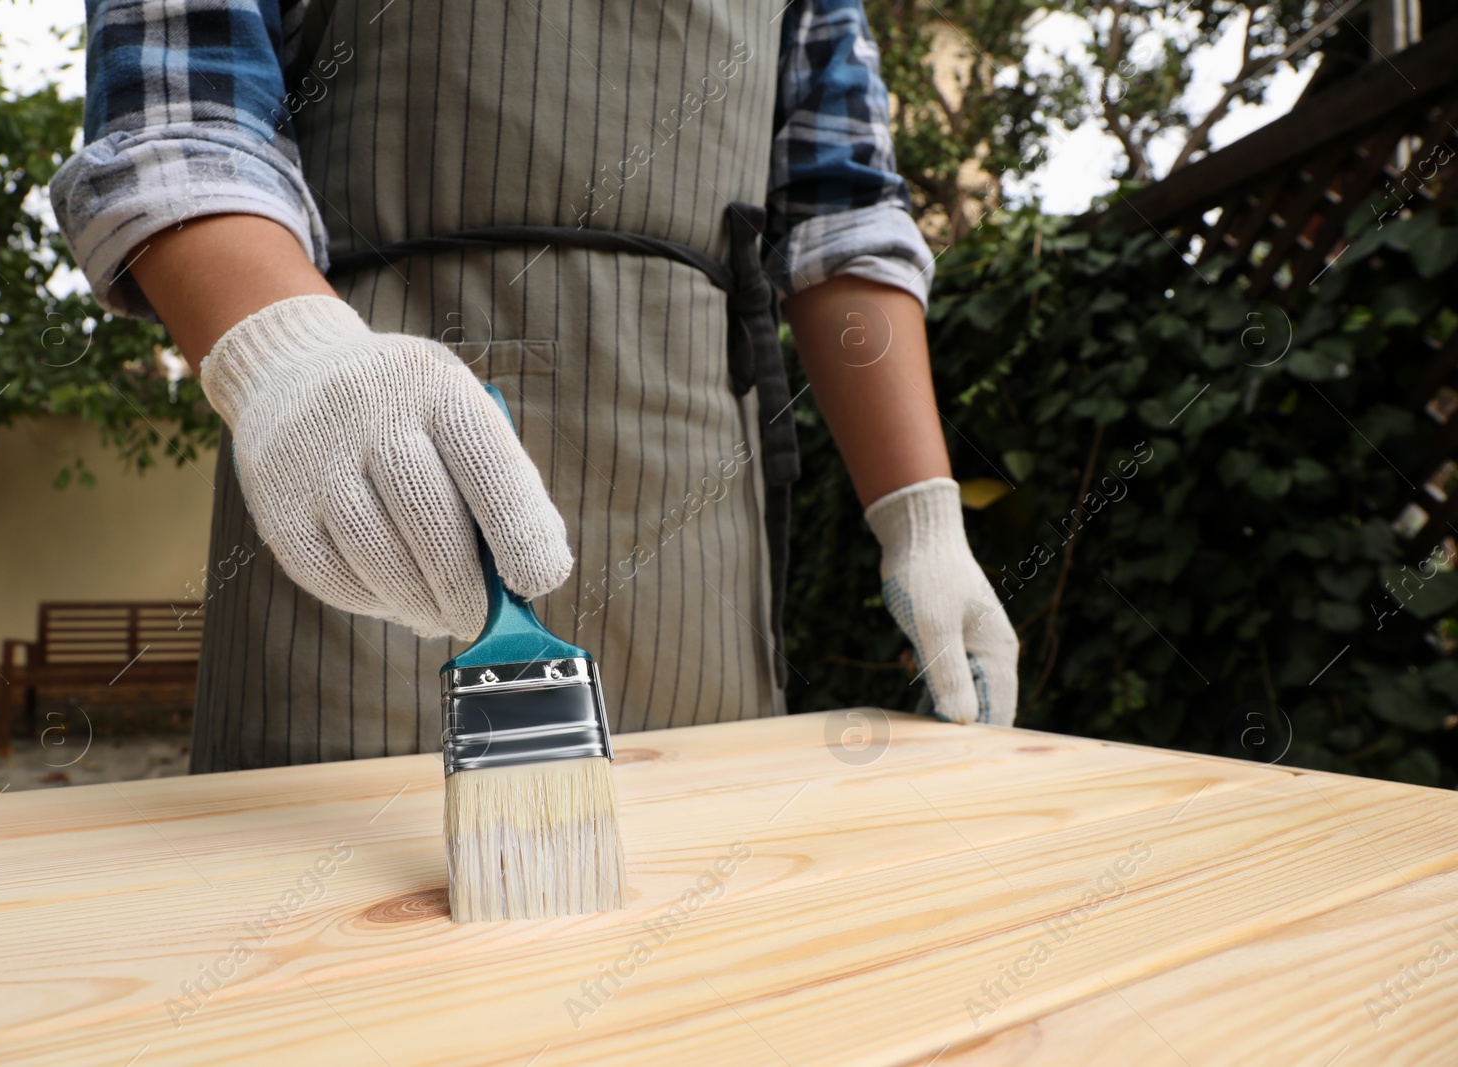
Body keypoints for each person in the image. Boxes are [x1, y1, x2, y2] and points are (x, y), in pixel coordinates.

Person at [52, 0, 1019, 773]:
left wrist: (922, 520)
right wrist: (283, 355)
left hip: (698, 535)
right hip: (364, 483)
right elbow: (177, 123)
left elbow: (841, 213)